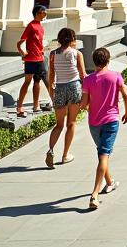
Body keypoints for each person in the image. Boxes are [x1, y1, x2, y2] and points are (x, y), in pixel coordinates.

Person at [80, 46, 127, 210]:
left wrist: (82, 105)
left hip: (94, 122)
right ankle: (94, 194)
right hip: (111, 120)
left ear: (94, 61)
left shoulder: (88, 80)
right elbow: (126, 96)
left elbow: (84, 104)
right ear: (108, 60)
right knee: (103, 155)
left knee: (102, 153)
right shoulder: (115, 76)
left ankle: (109, 182)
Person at [45, 27, 86, 168]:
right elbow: (82, 75)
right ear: (73, 39)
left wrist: (51, 91)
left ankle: (50, 150)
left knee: (59, 124)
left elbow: (51, 75)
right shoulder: (76, 53)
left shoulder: (53, 54)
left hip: (60, 88)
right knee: (71, 123)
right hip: (74, 87)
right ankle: (65, 154)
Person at [15, 4, 51, 117]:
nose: (45, 14)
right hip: (31, 58)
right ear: (37, 13)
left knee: (37, 81)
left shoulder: (40, 26)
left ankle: (36, 106)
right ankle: (19, 106)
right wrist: (22, 52)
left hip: (39, 57)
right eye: (43, 12)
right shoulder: (31, 26)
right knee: (27, 81)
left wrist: (42, 49)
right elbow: (20, 42)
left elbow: (39, 42)